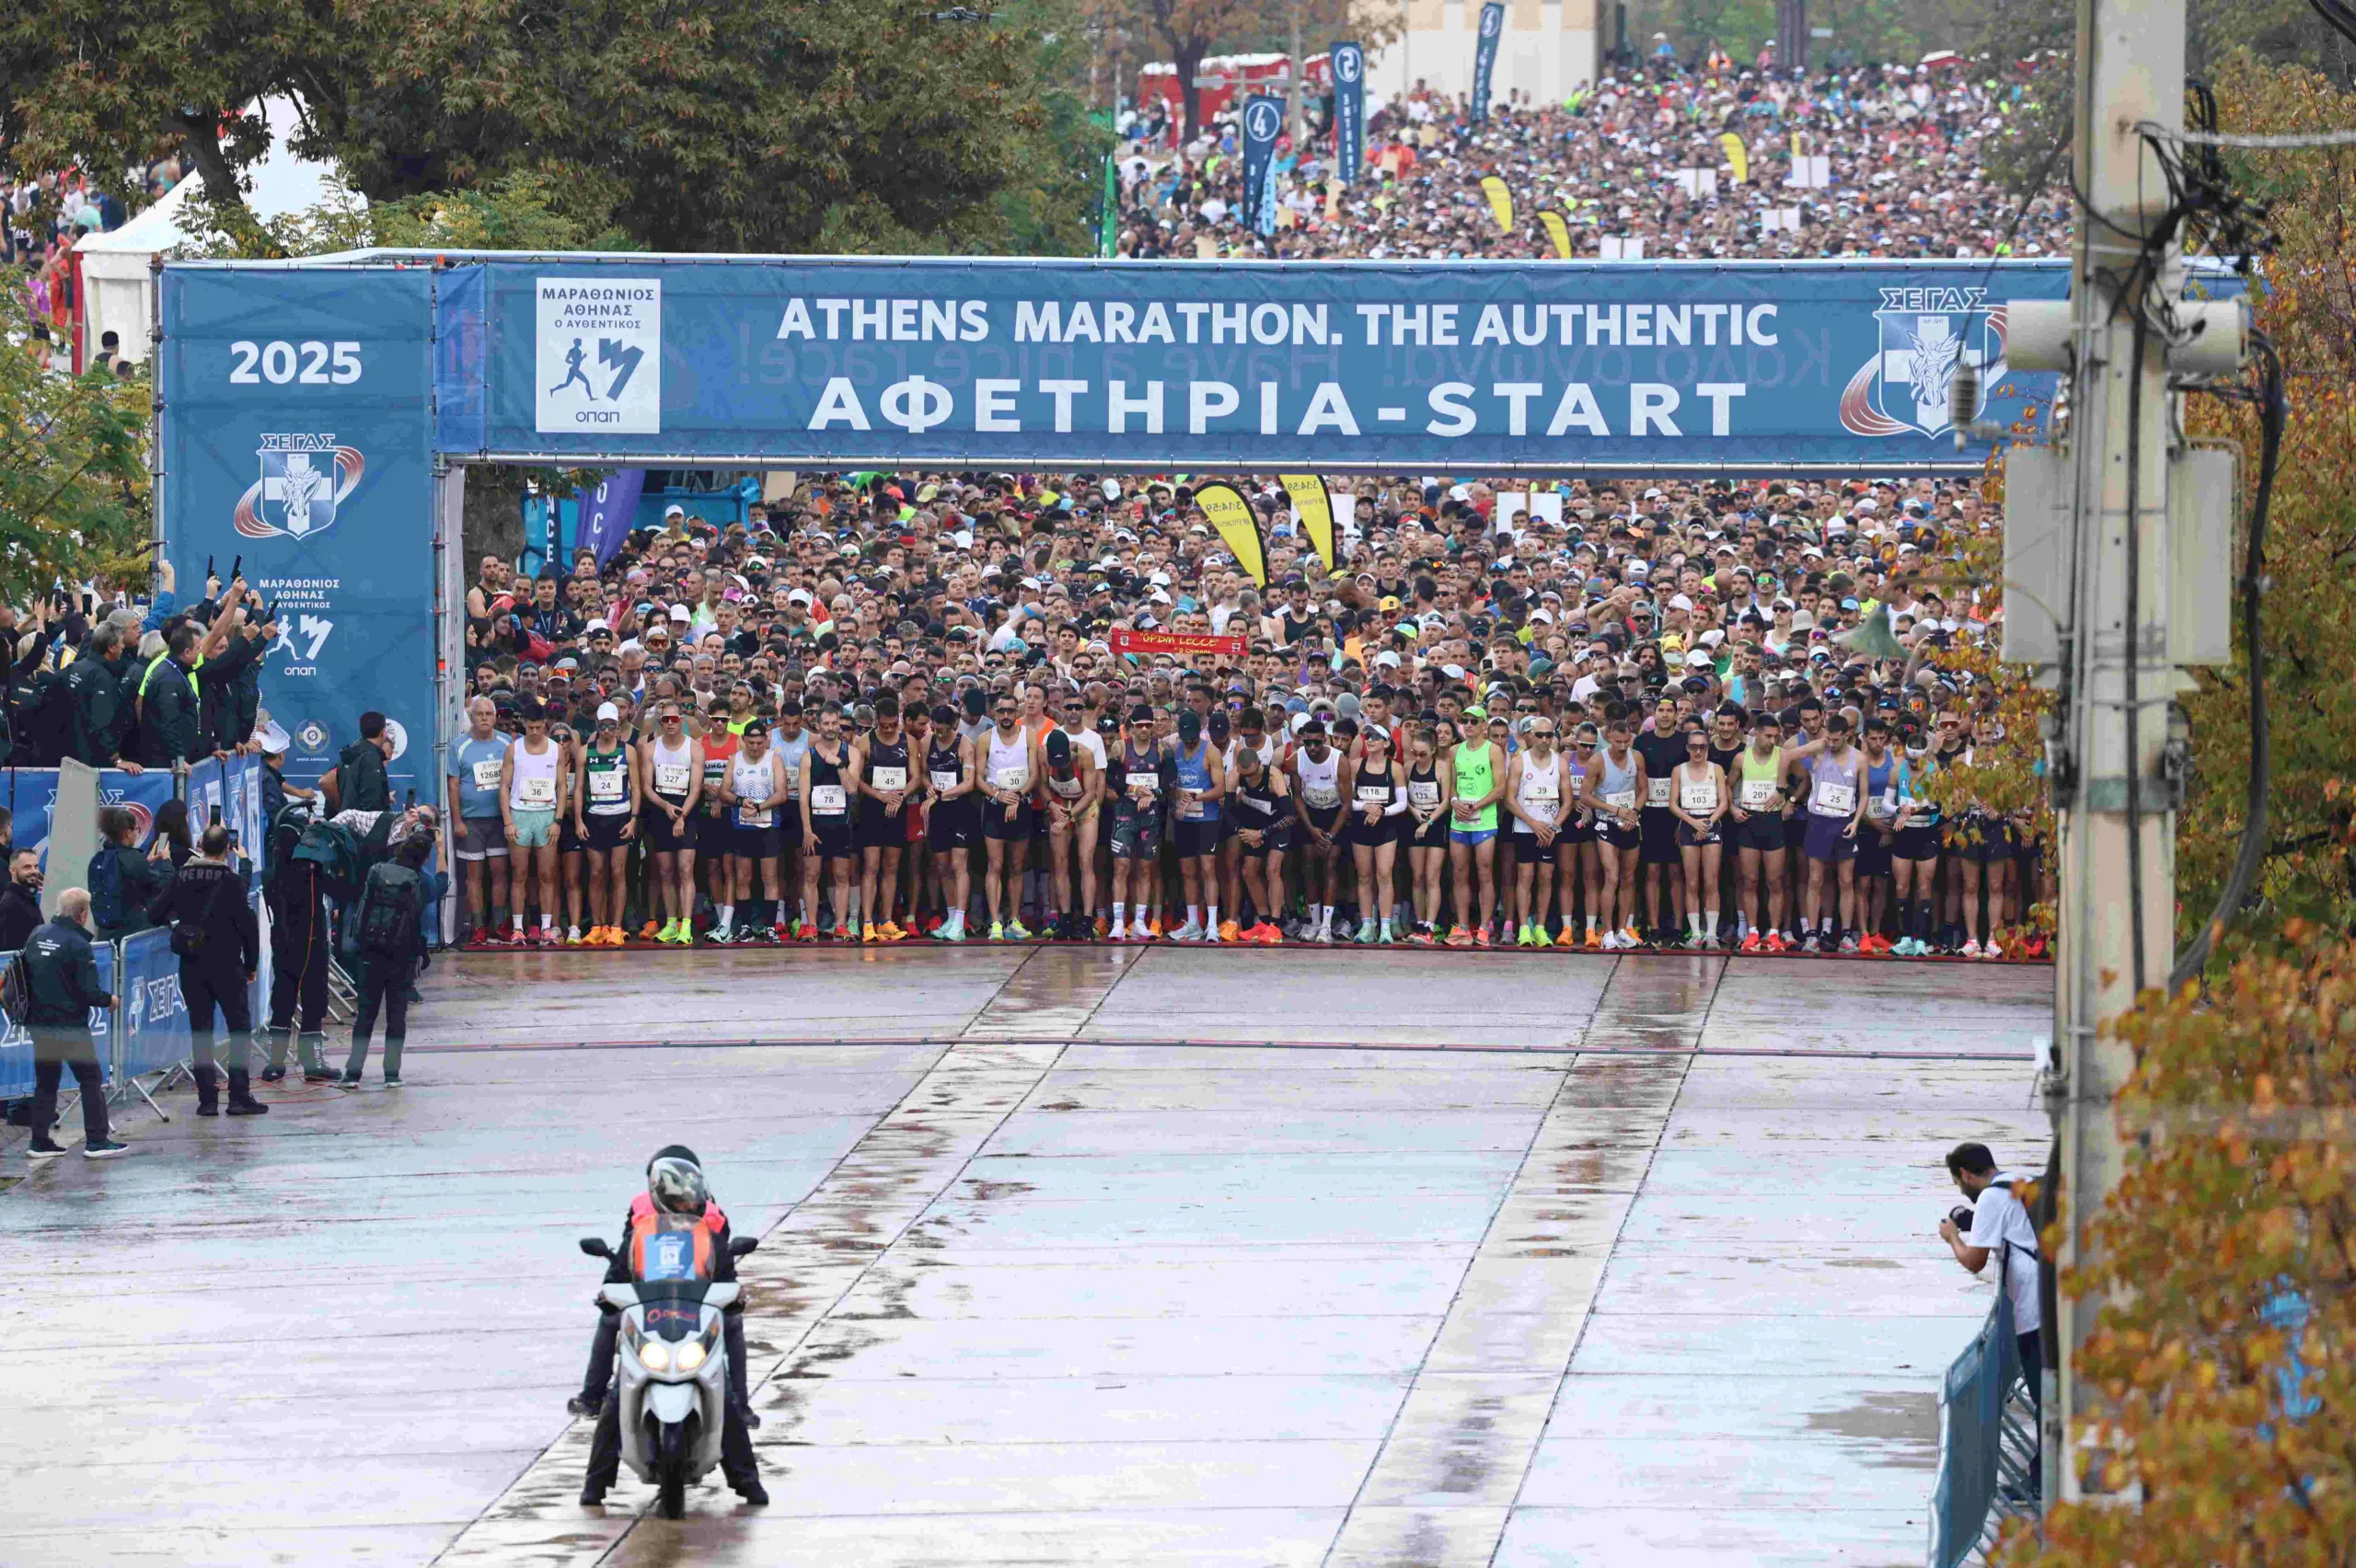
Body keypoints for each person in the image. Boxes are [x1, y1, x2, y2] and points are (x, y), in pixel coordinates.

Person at [575, 1147, 768, 1507]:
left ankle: (747, 1480)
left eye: (688, 1195)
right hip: (650, 1320)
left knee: (724, 1394)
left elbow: (726, 1274)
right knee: (617, 1397)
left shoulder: (710, 1233)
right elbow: (617, 1273)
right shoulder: (640, 1234)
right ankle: (595, 1483)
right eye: (677, 1196)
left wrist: (734, 1294)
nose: (684, 1202)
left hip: (694, 1320)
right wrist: (609, 1293)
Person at [1941, 1142, 2044, 1487]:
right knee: (2050, 1393)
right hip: (2054, 1294)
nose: (1962, 1190)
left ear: (1965, 1174)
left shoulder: (1989, 1197)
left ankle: (2043, 1482)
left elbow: (1975, 1261)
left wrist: (1953, 1237)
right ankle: (2043, 1475)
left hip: (2032, 1306)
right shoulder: (2020, 1180)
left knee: (2045, 1396)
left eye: (1958, 1182)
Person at [147, 823, 264, 1117]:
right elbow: (248, 927)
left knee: (201, 1031)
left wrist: (181, 925)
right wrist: (251, 964)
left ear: (200, 846)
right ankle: (238, 1097)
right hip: (227, 964)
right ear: (227, 849)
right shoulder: (232, 881)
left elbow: (155, 913)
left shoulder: (182, 876)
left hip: (192, 965)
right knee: (239, 1029)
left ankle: (207, 1100)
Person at [18, 888, 125, 1160]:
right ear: (83, 914)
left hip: (39, 1021)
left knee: (46, 1081)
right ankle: (97, 1141)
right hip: (69, 1024)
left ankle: (39, 1142)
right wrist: (110, 1000)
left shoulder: (38, 933)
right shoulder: (78, 944)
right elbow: (89, 992)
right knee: (90, 1078)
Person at [341, 833, 434, 1085]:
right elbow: (441, 885)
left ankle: (352, 1073)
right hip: (402, 956)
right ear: (425, 859)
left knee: (365, 1015)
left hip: (370, 951)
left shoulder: (377, 872)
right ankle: (392, 1074)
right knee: (396, 1016)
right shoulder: (421, 881)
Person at [446, 696, 513, 944]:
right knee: (473, 876)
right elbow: (453, 785)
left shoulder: (507, 743)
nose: (484, 718)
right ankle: (478, 926)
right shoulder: (458, 746)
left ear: (495, 717)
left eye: (489, 714)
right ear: (471, 717)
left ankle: (498, 924)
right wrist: (457, 820)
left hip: (500, 820)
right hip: (471, 821)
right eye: (480, 714)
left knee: (500, 874)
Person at [87, 804, 173, 944]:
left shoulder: (99, 858)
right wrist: (167, 860)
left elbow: (120, 879)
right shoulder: (133, 858)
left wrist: (146, 863)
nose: (136, 834)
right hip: (132, 937)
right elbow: (163, 884)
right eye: (136, 830)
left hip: (105, 936)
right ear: (127, 832)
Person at [0, 847, 43, 951]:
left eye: (36, 866)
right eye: (27, 867)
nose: (34, 871)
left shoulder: (27, 899)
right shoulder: (10, 904)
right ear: (12, 870)